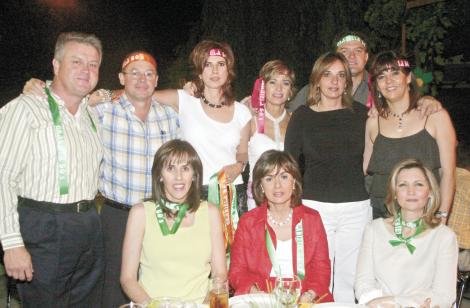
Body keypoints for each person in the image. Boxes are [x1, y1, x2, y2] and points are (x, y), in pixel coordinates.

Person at [21, 51, 180, 307]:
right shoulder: (101, 111)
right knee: (114, 286)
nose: (142, 79)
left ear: (157, 79)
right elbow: (65, 99)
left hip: (158, 213)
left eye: (148, 73)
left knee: (156, 282)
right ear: (121, 78)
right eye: (134, 73)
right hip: (117, 215)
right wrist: (41, 86)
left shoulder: (170, 117)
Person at [0, 32, 104, 306]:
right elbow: (3, 178)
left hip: (89, 224)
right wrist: (11, 244)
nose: (86, 70)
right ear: (56, 66)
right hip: (44, 225)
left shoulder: (91, 113)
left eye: (93, 64)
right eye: (77, 62)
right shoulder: (25, 109)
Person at [284, 52, 371, 302]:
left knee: (349, 278)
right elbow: (290, 163)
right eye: (327, 74)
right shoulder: (302, 116)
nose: (334, 82)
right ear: (317, 80)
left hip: (355, 206)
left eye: (340, 75)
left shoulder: (362, 115)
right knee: (316, 277)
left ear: (347, 82)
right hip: (314, 207)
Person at [120, 139, 226, 304]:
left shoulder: (210, 212)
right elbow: (127, 279)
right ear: (160, 176)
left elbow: (220, 274)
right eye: (170, 168)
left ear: (194, 175)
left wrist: (203, 306)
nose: (179, 177)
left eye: (185, 168)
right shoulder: (140, 213)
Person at [154, 40, 251, 216]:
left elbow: (243, 153)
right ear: (199, 72)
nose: (215, 71)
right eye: (208, 65)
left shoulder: (242, 112)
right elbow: (141, 94)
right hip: (191, 191)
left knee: (230, 244)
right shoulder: (184, 99)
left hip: (230, 193)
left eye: (220, 64)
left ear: (228, 72)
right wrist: (100, 97)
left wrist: (239, 165)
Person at [229, 150, 333, 303]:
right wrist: (258, 295)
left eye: (284, 177)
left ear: (294, 183)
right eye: (269, 179)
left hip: (305, 295)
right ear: (261, 186)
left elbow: (321, 270)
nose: (277, 185)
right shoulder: (248, 222)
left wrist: (308, 296)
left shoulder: (312, 219)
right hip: (262, 296)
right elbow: (237, 272)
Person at [364, 51, 456, 219]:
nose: (388, 81)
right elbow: (365, 168)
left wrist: (442, 216)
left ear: (408, 78)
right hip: (383, 217)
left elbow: (448, 174)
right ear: (376, 85)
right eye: (381, 77)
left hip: (426, 216)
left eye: (395, 73)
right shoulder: (372, 122)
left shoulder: (436, 117)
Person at [355, 159, 458, 307]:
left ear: (430, 192)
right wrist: (380, 304)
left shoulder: (444, 236)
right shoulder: (373, 229)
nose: (411, 191)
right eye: (403, 185)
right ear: (395, 193)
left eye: (419, 184)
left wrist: (398, 302)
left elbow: (444, 294)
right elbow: (363, 283)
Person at [288, 31, 441, 116]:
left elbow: (406, 102)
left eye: (358, 51)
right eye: (345, 51)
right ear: (336, 56)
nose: (352, 56)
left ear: (366, 57)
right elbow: (286, 117)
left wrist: (425, 100)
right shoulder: (315, 89)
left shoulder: (381, 85)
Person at [246, 60, 295, 210]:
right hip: (257, 200)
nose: (279, 88)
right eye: (272, 82)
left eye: (285, 83)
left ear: (290, 91)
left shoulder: (297, 121)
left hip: (290, 199)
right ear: (263, 87)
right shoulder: (249, 120)